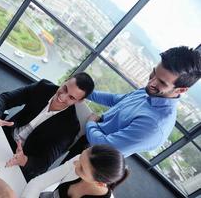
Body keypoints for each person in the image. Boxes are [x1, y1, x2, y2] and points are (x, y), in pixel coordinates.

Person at [63, 46, 201, 161]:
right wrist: (84, 92)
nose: (151, 82)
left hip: (95, 160)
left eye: (162, 82)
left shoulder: (155, 126)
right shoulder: (150, 92)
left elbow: (105, 146)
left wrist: (91, 123)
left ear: (181, 89)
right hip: (90, 135)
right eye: (154, 73)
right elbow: (116, 100)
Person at [0, 72, 94, 181]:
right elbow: (6, 98)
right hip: (5, 136)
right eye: (65, 88)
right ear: (66, 80)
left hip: (20, 159)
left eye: (71, 97)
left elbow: (43, 163)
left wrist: (23, 160)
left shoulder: (70, 128)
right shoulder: (43, 87)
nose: (62, 97)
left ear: (79, 101)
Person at [0, 145, 129, 198]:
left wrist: (9, 196)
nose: (75, 163)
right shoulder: (83, 160)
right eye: (82, 155)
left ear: (99, 183)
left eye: (81, 168)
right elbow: (38, 183)